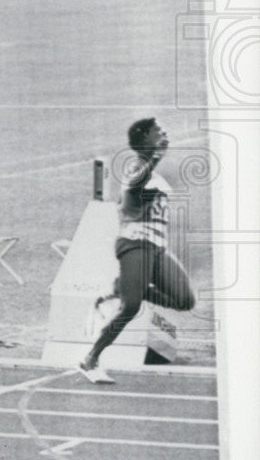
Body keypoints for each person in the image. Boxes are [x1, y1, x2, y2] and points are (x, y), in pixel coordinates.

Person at [79, 118, 197, 384]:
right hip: (134, 244)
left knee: (185, 300)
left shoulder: (156, 176)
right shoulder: (137, 170)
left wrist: (155, 161)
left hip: (156, 247)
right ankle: (90, 360)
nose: (164, 133)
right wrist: (153, 159)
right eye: (158, 131)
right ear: (144, 140)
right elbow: (134, 189)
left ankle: (128, 287)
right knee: (130, 307)